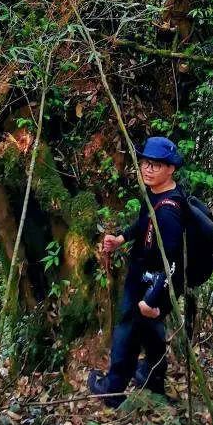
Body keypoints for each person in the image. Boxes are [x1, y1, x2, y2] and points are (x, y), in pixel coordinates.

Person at [88, 136, 187, 407]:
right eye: (145, 162)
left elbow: (173, 261)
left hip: (151, 283)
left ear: (171, 169)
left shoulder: (169, 212)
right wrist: (121, 239)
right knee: (153, 335)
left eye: (155, 165)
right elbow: (144, 224)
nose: (147, 169)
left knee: (126, 334)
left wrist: (151, 300)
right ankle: (152, 382)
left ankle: (112, 391)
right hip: (147, 278)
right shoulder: (156, 194)